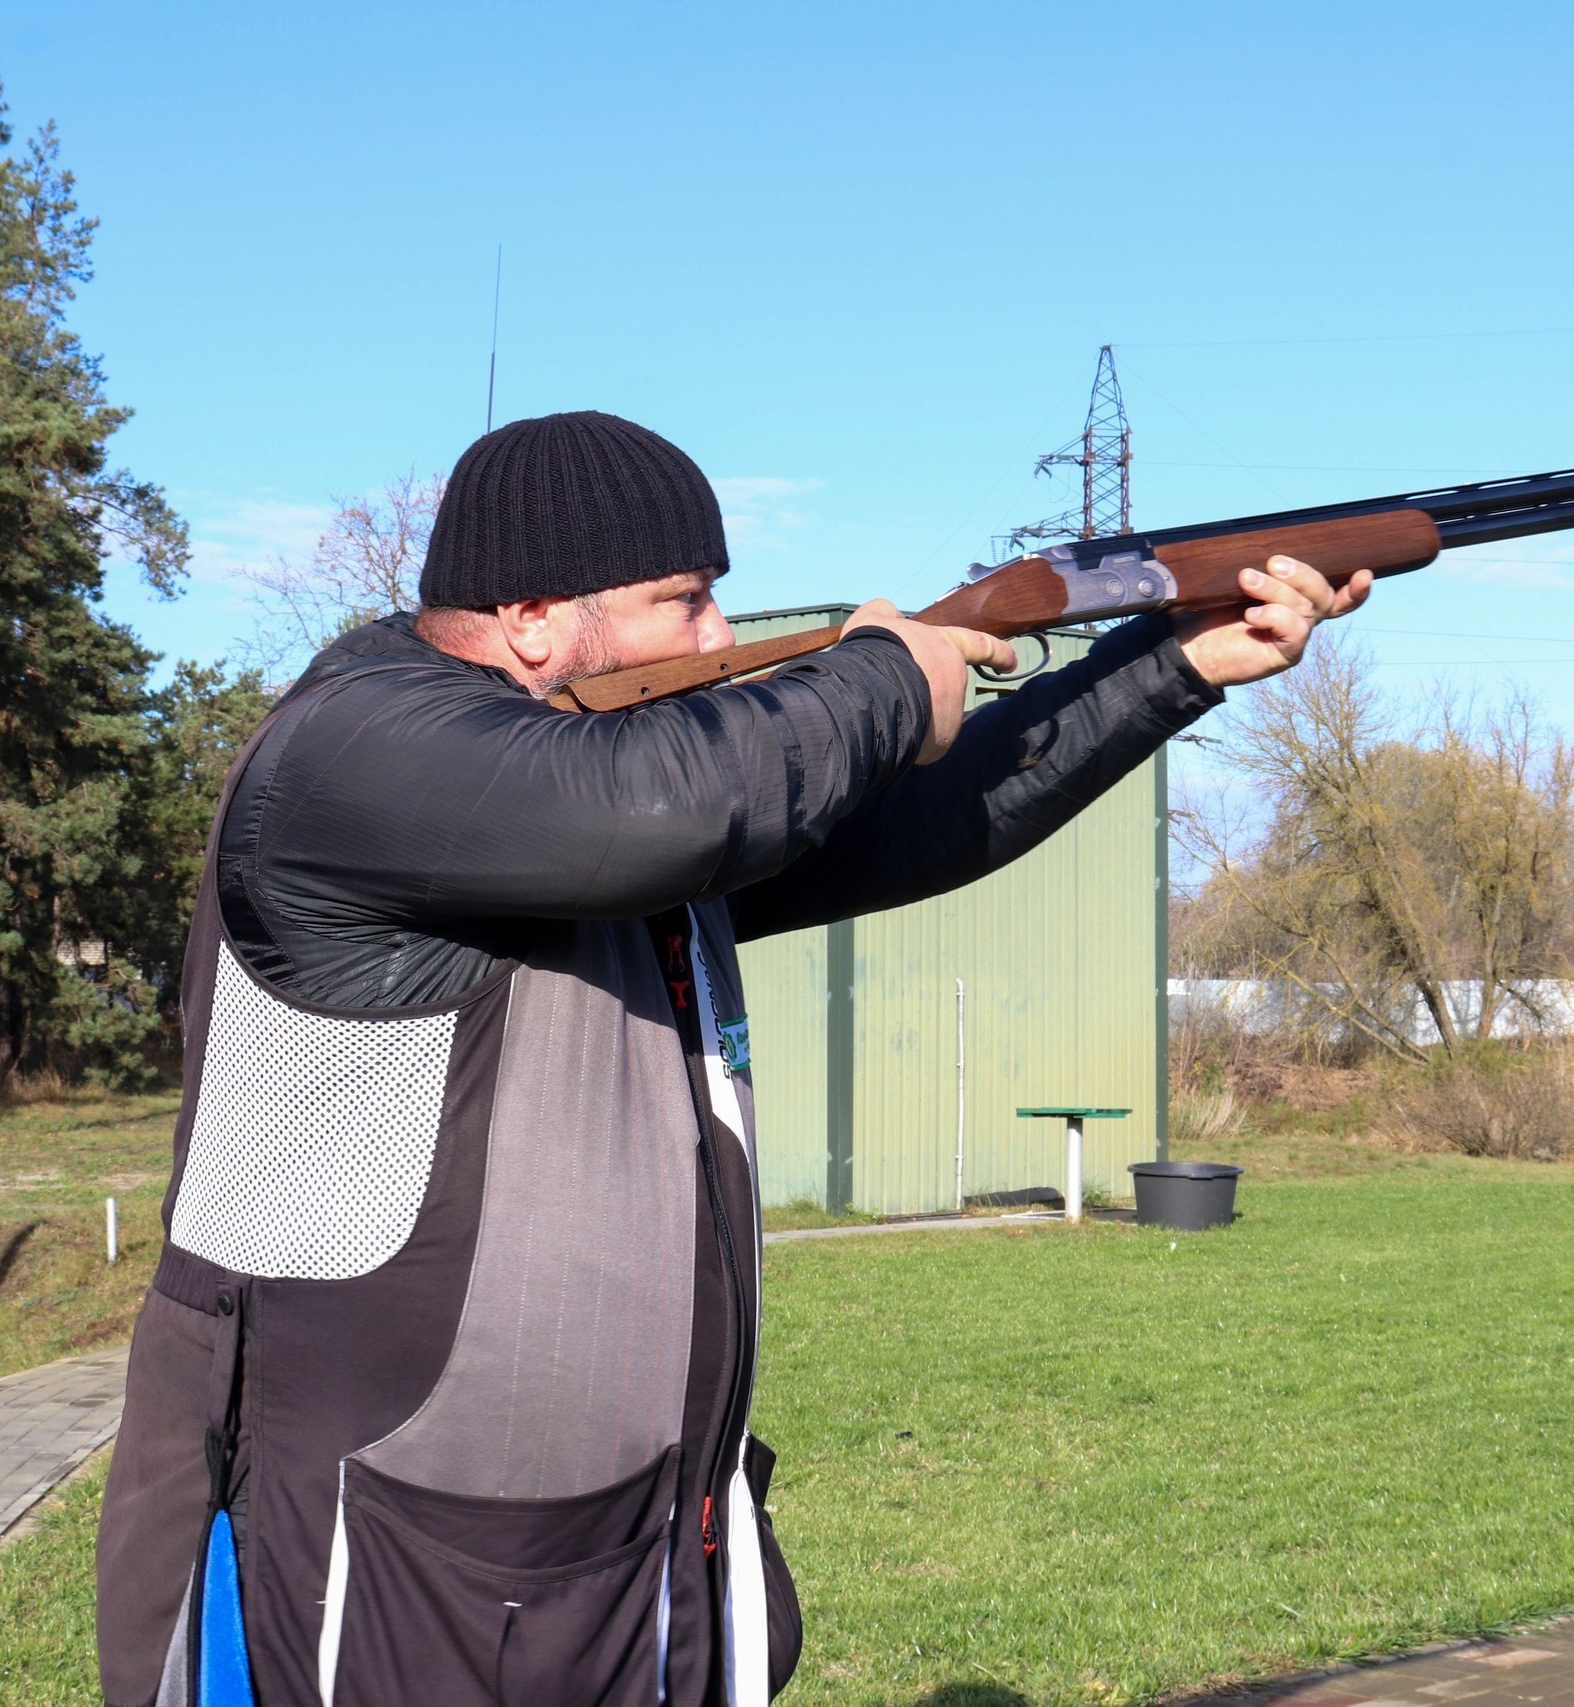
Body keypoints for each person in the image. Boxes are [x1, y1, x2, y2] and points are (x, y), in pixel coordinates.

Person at [94, 410, 1368, 1707]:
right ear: (530, 618)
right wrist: (885, 675)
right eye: (682, 600)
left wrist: (1177, 664)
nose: (717, 637)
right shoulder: (352, 753)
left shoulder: (587, 797)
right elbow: (660, 802)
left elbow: (928, 817)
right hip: (381, 1564)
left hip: (624, 1547)